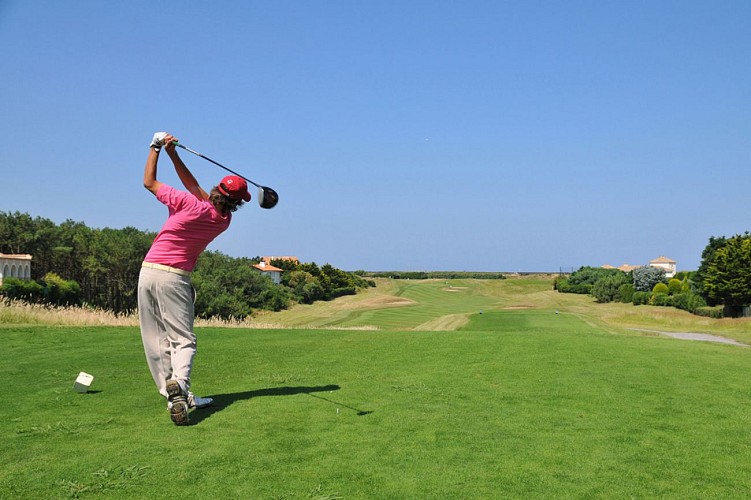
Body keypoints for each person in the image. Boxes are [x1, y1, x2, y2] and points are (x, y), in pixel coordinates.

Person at [138, 132, 250, 425]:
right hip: (174, 278)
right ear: (237, 203)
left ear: (216, 189)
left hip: (148, 271)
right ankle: (181, 387)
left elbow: (149, 182)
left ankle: (175, 394)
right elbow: (194, 187)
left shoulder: (186, 203)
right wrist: (174, 154)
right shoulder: (223, 220)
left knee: (155, 337)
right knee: (183, 339)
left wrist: (156, 148)